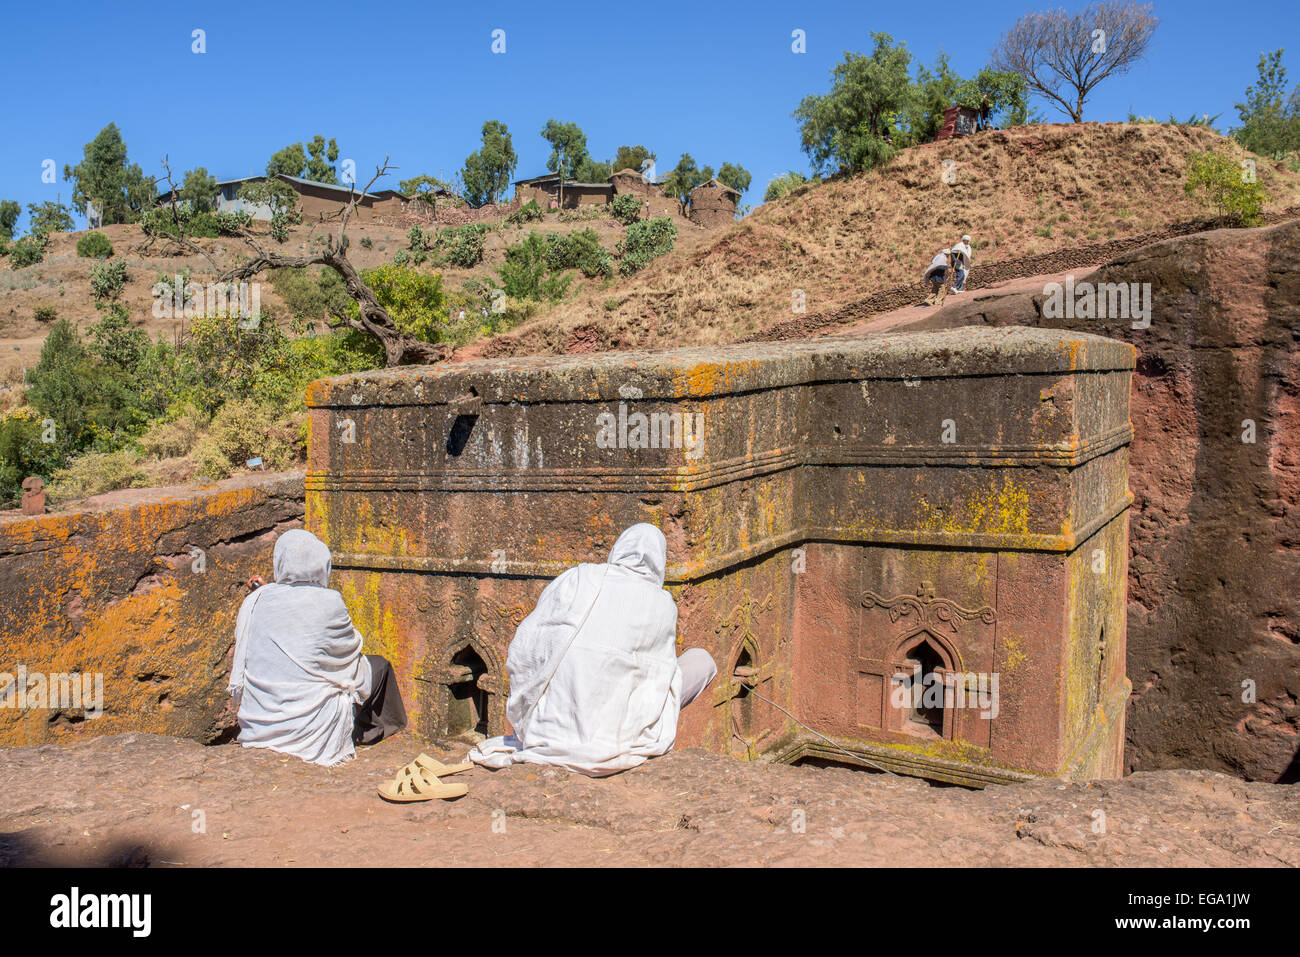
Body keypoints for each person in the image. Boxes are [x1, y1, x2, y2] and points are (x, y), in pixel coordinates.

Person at [469, 523, 717, 777]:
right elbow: (657, 674)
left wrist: (528, 718)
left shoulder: (579, 577)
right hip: (618, 742)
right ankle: (626, 727)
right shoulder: (662, 603)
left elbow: (528, 646)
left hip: (548, 732)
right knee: (702, 661)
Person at [229, 529, 406, 767]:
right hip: (311, 732)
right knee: (377, 666)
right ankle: (372, 732)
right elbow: (349, 649)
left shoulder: (257, 600)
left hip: (259, 724)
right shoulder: (330, 601)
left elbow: (284, 605)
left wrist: (264, 589)